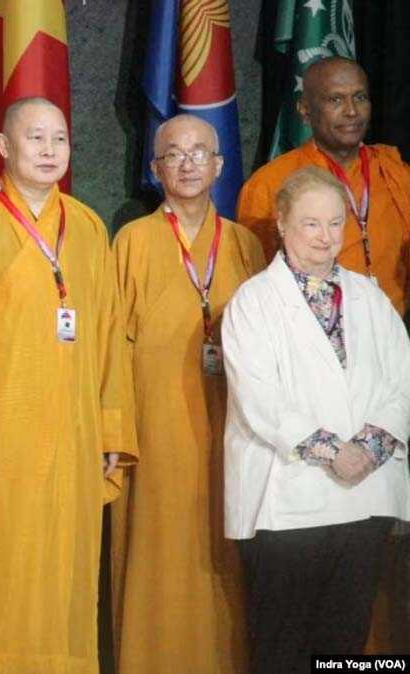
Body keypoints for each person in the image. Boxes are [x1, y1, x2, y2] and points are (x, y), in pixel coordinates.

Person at [0, 97, 136, 674]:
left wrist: (112, 426)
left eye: (60, 139)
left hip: (75, 438)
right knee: (2, 570)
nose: (50, 151)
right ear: (3, 146)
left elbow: (110, 333)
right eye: (35, 138)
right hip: (1, 442)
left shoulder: (89, 227)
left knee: (67, 577)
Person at [222, 166, 410, 672]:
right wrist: (332, 451)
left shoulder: (371, 297)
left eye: (334, 223)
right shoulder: (253, 302)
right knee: (282, 646)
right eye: (311, 223)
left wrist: (368, 449)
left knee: (345, 643)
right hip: (288, 501)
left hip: (365, 498)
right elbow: (259, 398)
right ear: (282, 223)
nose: (325, 237)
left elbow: (402, 379)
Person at [109, 114, 264, 673]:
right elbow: (109, 348)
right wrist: (115, 430)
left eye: (200, 152)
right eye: (174, 154)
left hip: (233, 432)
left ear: (219, 165)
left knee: (225, 559)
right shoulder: (132, 242)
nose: (188, 162)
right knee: (157, 556)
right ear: (156, 170)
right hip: (155, 431)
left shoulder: (245, 245)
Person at [237, 57, 410, 314]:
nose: (352, 111)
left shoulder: (395, 171)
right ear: (305, 111)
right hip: (306, 327)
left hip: (391, 325)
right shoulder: (269, 183)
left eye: (360, 97)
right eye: (335, 100)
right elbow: (254, 279)